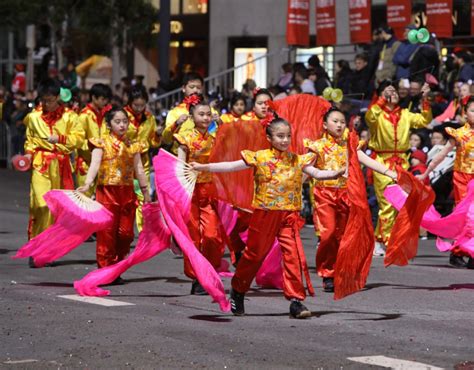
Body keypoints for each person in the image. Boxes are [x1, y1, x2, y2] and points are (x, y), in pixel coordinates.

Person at [191, 117, 346, 318]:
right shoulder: (260, 157)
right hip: (264, 215)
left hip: (288, 216)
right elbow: (231, 167)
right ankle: (238, 290)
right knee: (254, 256)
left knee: (293, 257)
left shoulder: (296, 159)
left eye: (288, 136)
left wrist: (336, 173)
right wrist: (204, 168)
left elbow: (316, 173)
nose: (285, 140)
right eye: (280, 136)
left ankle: (296, 301)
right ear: (269, 137)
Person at [304, 107, 397, 291]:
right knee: (328, 234)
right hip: (324, 196)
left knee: (343, 236)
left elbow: (366, 160)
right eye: (335, 121)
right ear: (324, 125)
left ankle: (340, 271)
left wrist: (389, 172)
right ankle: (327, 272)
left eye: (342, 122)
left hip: (346, 195)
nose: (339, 125)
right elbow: (305, 167)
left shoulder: (349, 145)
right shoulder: (317, 146)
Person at [77, 107, 150, 275]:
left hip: (127, 192)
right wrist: (87, 184)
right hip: (107, 192)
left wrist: (146, 192)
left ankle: (117, 265)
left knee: (126, 234)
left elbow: (139, 169)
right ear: (109, 124)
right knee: (106, 233)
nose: (122, 125)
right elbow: (94, 165)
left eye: (125, 121)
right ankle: (105, 269)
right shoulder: (100, 143)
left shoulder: (133, 145)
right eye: (117, 122)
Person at [365, 80, 432, 255]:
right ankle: (389, 242)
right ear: (380, 95)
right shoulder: (376, 114)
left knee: (399, 204)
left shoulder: (405, 114)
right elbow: (370, 117)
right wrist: (380, 100)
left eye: (394, 91)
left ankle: (379, 240)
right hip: (382, 162)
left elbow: (424, 120)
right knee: (387, 202)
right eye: (388, 91)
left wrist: (425, 99)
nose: (392, 93)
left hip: (402, 163)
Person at [174, 95, 225, 295]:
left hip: (209, 190)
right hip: (190, 191)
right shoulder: (184, 138)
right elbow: (179, 166)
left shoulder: (214, 139)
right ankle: (197, 278)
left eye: (208, 114)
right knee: (193, 237)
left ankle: (209, 272)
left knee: (212, 236)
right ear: (191, 117)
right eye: (201, 114)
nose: (205, 118)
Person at [24, 79, 85, 244]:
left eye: (50, 100)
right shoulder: (34, 117)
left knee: (57, 208)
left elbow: (79, 139)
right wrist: (28, 155)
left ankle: (49, 246)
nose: (46, 104)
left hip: (61, 165)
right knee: (41, 204)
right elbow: (30, 140)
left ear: (58, 97)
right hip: (40, 165)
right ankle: (37, 244)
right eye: (43, 100)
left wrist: (60, 138)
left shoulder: (69, 116)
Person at [417, 96, 474, 268]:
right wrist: (426, 173)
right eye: (472, 110)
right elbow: (441, 155)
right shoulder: (459, 134)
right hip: (463, 179)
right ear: (465, 113)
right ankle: (459, 252)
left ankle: (469, 252)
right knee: (465, 216)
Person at [124, 85, 161, 231]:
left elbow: (153, 142)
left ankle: (143, 230)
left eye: (142, 105)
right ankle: (124, 229)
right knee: (125, 195)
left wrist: (157, 134)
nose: (139, 108)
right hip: (124, 161)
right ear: (129, 102)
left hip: (142, 161)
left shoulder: (150, 118)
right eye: (135, 105)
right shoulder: (122, 116)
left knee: (143, 193)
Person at [76, 83, 112, 196]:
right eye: (102, 99)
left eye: (106, 99)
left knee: (100, 199)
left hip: (102, 164)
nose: (105, 102)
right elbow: (78, 140)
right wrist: (94, 146)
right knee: (84, 197)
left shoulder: (105, 115)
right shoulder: (84, 116)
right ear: (93, 97)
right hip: (86, 164)